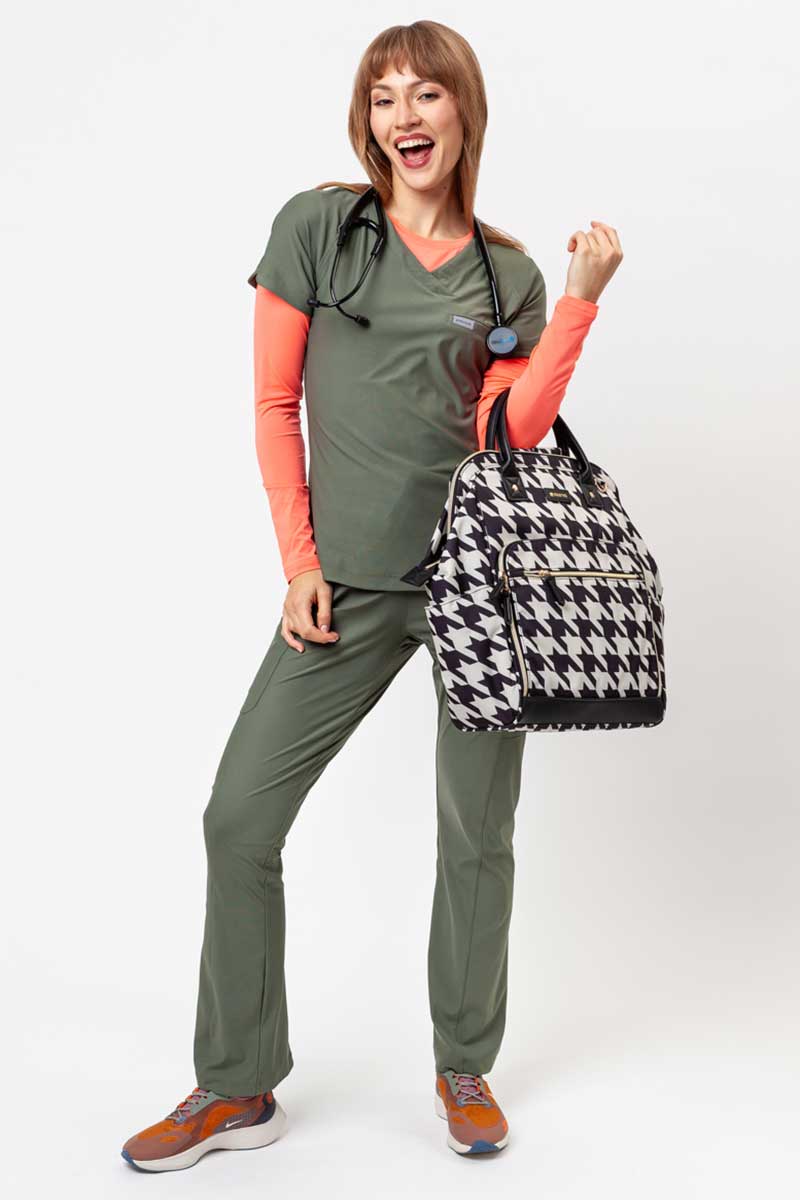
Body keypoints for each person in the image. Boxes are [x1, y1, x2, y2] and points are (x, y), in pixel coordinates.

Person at [121, 19, 622, 1170]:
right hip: (340, 584)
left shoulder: (506, 274)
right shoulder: (318, 232)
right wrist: (299, 563)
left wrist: (578, 302)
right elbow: (273, 403)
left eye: (425, 94)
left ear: (462, 113)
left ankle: (463, 1065)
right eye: (384, 97)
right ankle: (237, 1083)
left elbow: (509, 433)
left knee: (475, 836)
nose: (404, 115)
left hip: (471, 590)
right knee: (238, 817)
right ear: (367, 122)